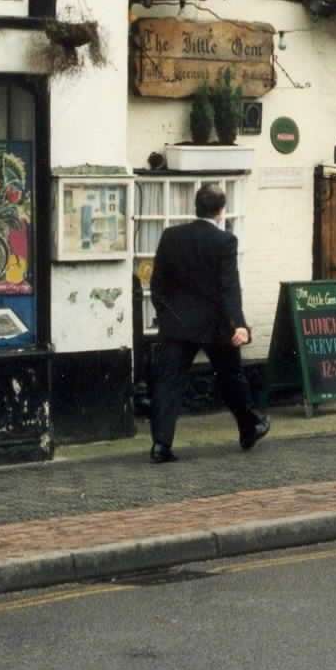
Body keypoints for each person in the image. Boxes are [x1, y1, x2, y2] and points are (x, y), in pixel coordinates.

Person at [147, 184, 269, 463]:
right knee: (230, 377)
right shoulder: (224, 241)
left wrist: (166, 315)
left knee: (168, 384)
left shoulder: (171, 236)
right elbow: (229, 287)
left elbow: (157, 285)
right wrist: (238, 324)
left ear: (196, 207)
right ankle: (249, 428)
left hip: (176, 325)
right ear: (220, 210)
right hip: (215, 324)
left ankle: (161, 445)